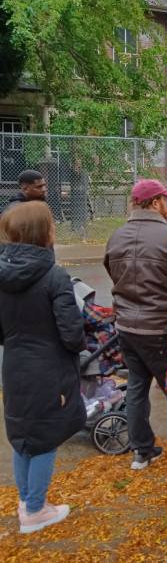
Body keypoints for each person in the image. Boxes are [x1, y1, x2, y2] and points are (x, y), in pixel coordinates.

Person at [0, 201, 86, 534]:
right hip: (49, 368)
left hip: (15, 363)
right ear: (45, 232)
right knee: (45, 438)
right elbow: (71, 332)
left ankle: (27, 501)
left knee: (22, 436)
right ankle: (35, 510)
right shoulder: (54, 276)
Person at [104, 179, 167, 470]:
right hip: (160, 328)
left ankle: (141, 449)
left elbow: (113, 274)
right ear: (154, 203)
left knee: (137, 387)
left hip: (127, 326)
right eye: (163, 200)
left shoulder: (116, 236)